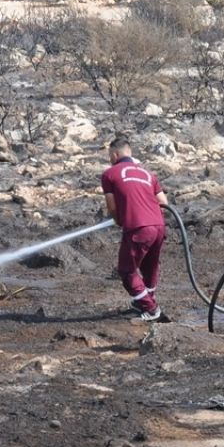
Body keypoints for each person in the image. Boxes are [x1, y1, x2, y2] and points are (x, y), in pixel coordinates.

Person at [101, 137, 169, 322]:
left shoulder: (110, 174)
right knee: (150, 267)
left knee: (127, 271)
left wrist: (119, 220)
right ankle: (147, 300)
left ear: (115, 154)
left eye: (110, 156)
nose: (109, 159)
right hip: (159, 226)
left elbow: (112, 207)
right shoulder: (148, 174)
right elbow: (163, 202)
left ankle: (152, 310)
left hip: (138, 228)